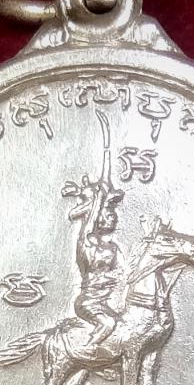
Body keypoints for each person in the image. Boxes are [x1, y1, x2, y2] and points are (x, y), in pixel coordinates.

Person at [61, 112, 124, 345]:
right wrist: (97, 199)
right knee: (109, 324)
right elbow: (93, 210)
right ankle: (88, 351)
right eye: (108, 214)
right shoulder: (87, 242)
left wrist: (107, 150)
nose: (113, 217)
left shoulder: (112, 247)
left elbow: (105, 184)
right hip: (88, 303)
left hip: (107, 302)